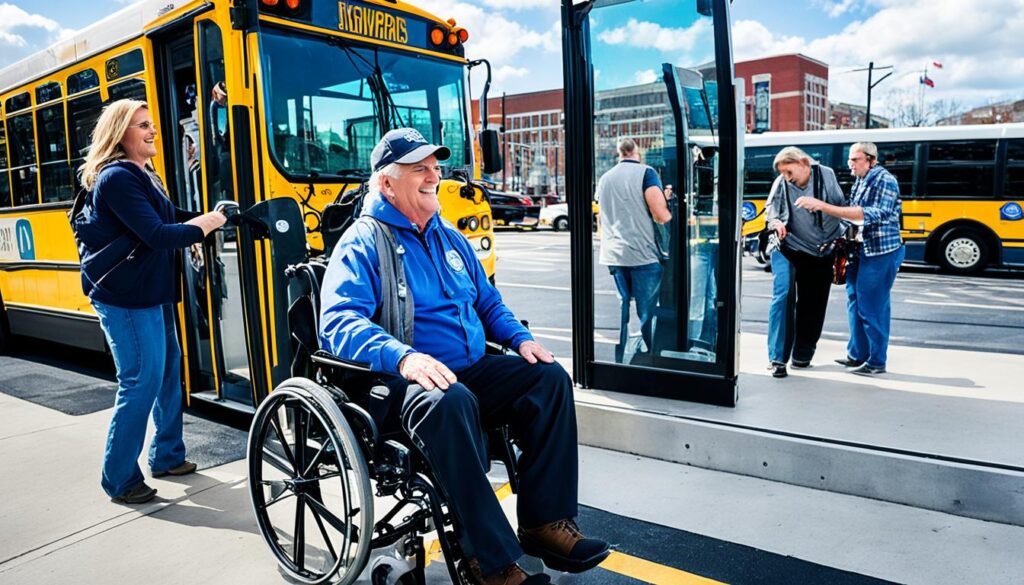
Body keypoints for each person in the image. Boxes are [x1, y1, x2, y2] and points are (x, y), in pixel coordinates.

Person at [319, 128, 610, 585]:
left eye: (435, 167)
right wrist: (402, 358)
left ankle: (544, 524)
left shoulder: (449, 236)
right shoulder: (362, 242)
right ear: (387, 184)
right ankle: (490, 563)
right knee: (452, 400)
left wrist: (518, 340)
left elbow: (488, 302)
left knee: (549, 378)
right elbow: (338, 323)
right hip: (400, 383)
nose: (435, 175)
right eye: (421, 169)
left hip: (467, 370)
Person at [76, 99, 227, 504]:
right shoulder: (117, 178)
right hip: (126, 298)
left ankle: (167, 454)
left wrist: (214, 215)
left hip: (152, 292)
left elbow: (171, 214)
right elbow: (158, 234)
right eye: (142, 126)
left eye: (151, 125)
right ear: (120, 134)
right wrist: (208, 224)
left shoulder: (145, 175)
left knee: (166, 374)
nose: (152, 131)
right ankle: (120, 478)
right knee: (140, 381)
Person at [795, 142, 904, 376]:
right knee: (855, 301)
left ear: (871, 160)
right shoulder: (861, 180)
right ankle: (857, 355)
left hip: (881, 252)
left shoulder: (884, 179)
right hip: (861, 250)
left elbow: (874, 214)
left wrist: (823, 206)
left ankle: (876, 361)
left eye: (855, 160)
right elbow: (850, 215)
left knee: (872, 306)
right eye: (849, 160)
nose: (850, 164)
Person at [763, 147, 846, 378]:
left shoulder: (826, 175)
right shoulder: (781, 182)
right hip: (789, 247)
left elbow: (841, 208)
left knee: (814, 304)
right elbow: (771, 211)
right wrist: (776, 223)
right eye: (784, 174)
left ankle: (803, 355)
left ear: (803, 163)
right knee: (784, 295)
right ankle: (777, 359)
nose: (787, 178)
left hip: (822, 250)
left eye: (790, 172)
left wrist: (820, 205)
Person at [596, 138, 672, 363]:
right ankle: (644, 356)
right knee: (646, 310)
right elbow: (660, 214)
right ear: (637, 151)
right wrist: (670, 210)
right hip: (642, 253)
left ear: (619, 153)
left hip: (613, 254)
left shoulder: (605, 178)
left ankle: (623, 356)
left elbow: (609, 211)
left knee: (625, 306)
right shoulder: (646, 173)